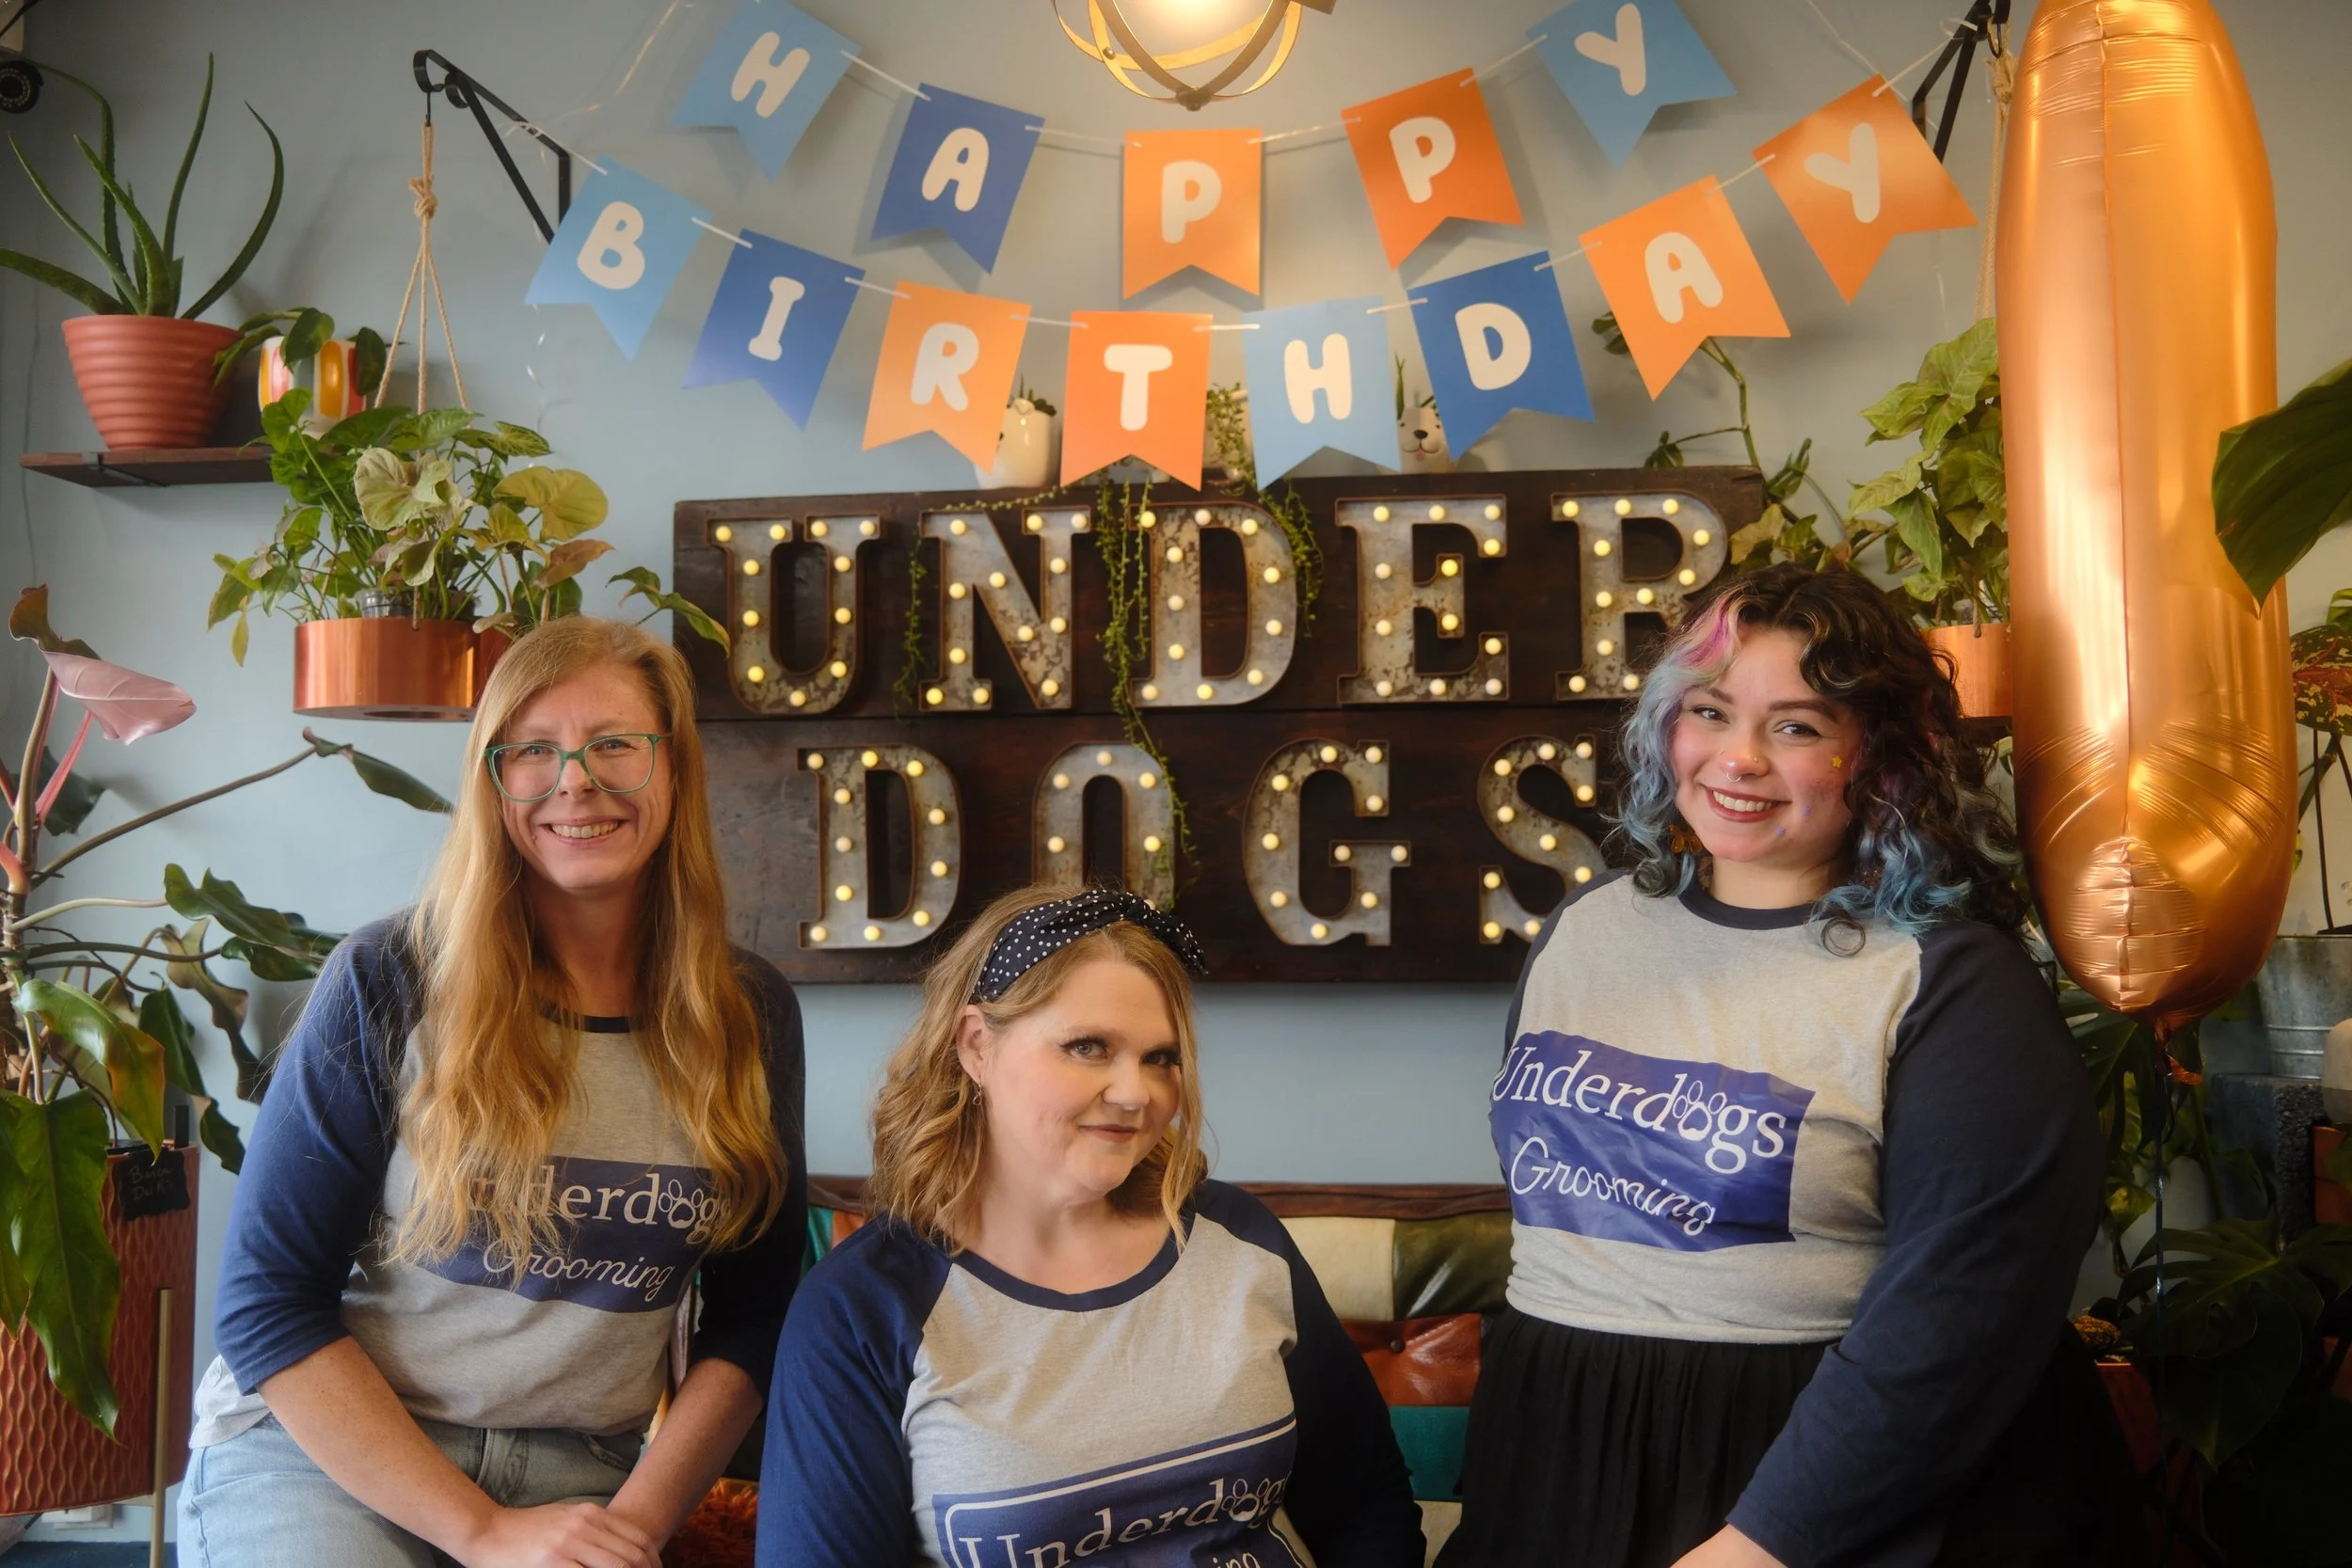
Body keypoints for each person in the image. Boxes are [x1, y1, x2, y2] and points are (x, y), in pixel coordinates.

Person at [1441, 565, 2139, 1568]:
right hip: (1558, 1453)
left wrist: (1763, 1542)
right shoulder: (1586, 929)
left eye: (1797, 726)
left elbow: (1965, 1306)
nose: (1738, 757)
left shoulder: (1949, 981)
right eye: (1710, 711)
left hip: (1815, 1485)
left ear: (1880, 757)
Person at [182, 617, 807, 1568]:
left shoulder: (747, 1012)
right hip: (332, 1459)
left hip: (583, 1472)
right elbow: (267, 1302)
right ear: (494, 782)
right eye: (533, 751)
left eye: (614, 744)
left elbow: (754, 1315)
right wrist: (481, 1532)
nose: (575, 781)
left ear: (674, 767)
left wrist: (635, 1528)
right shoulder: (389, 976)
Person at [756, 886, 1425, 1568]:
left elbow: (1366, 1502)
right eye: (1088, 1047)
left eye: (1160, 1057)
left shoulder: (1240, 1238)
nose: (1136, 1093)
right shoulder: (863, 1308)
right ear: (977, 1046)